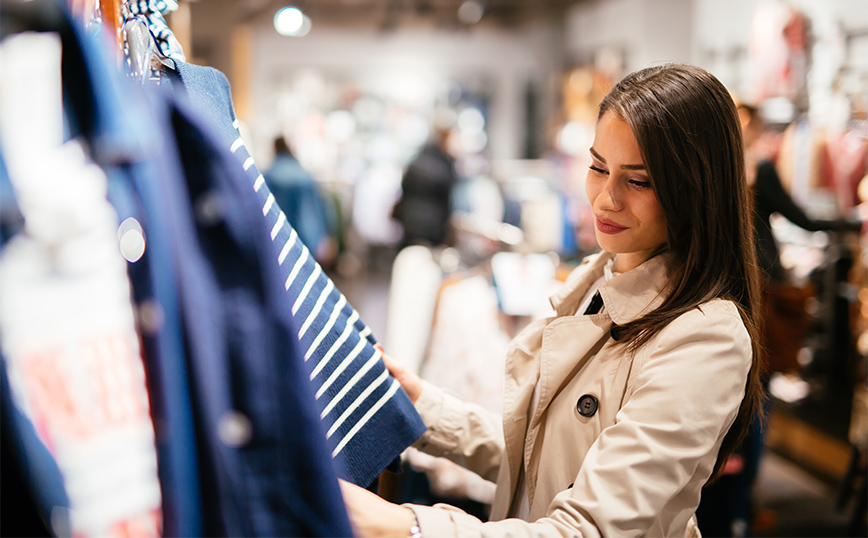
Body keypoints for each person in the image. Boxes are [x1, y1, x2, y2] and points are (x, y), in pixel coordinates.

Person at [341, 63, 765, 537]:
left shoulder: (705, 336)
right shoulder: (593, 282)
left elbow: (589, 528)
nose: (605, 199)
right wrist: (423, 405)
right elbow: (544, 458)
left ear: (696, 186)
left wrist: (407, 525)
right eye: (598, 167)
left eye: (638, 181)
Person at [263, 136, 336, 265]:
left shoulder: (269, 175)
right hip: (306, 238)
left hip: (279, 240)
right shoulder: (304, 175)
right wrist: (325, 236)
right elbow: (319, 208)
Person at [391, 124, 458, 250]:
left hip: (409, 220)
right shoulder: (444, 165)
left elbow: (404, 187)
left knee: (407, 257)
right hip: (433, 226)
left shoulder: (418, 159)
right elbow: (447, 200)